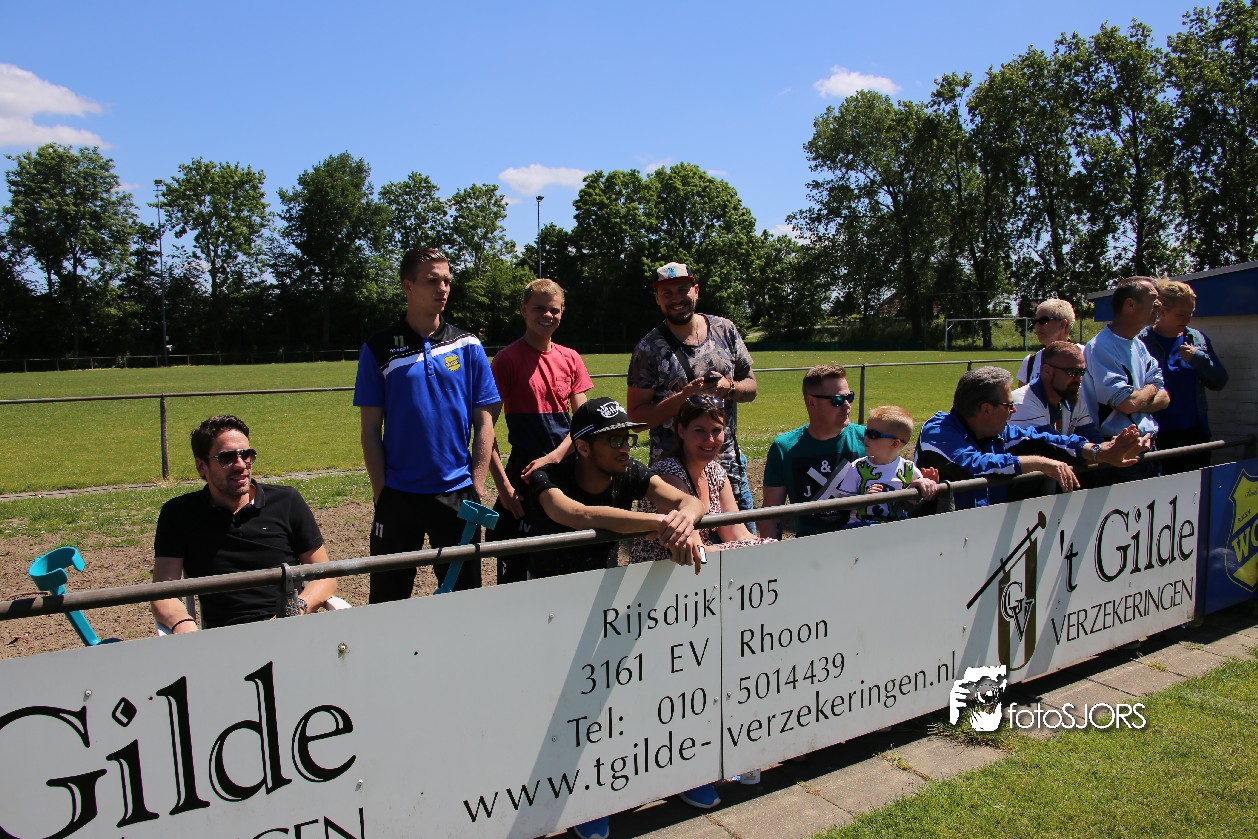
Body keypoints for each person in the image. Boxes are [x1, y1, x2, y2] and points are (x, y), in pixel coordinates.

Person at [525, 397, 717, 839]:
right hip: (547, 607)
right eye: (613, 439)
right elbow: (576, 514)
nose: (626, 446)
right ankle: (577, 800)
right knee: (566, 710)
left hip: (604, 597)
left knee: (622, 695)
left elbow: (689, 501)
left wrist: (682, 524)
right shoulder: (546, 477)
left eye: (627, 437)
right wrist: (658, 525)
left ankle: (664, 773)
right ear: (583, 447)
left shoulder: (629, 471)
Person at [354, 247, 501, 601]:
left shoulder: (468, 344)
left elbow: (485, 420)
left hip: (456, 493)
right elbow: (370, 428)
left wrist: (477, 483)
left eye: (447, 280)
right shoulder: (378, 347)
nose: (443, 288)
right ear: (408, 286)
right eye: (432, 280)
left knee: (463, 600)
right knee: (388, 602)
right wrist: (382, 492)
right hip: (398, 495)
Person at [151, 415, 336, 632]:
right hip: (223, 639)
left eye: (246, 455)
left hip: (288, 629)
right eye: (227, 458)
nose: (241, 465)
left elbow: (324, 575)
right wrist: (186, 629)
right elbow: (163, 593)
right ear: (201, 466)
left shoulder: (286, 502)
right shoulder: (180, 514)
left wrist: (294, 611)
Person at [627, 262, 758, 523]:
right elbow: (636, 418)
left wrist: (729, 387)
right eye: (667, 293)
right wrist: (683, 397)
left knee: (742, 541)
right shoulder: (648, 348)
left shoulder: (724, 330)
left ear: (696, 291)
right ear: (657, 298)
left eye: (682, 290)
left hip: (728, 467)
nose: (676, 299)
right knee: (687, 546)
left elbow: (751, 387)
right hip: (674, 480)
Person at [916, 367, 1150, 510]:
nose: (1014, 411)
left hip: (985, 533)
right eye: (1008, 405)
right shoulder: (937, 431)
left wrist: (1100, 451)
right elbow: (974, 465)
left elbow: (1047, 439)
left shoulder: (998, 431)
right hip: (939, 544)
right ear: (986, 409)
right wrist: (1039, 463)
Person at [487, 279, 593, 583]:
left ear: (562, 312)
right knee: (517, 568)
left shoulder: (571, 358)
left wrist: (556, 456)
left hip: (568, 471)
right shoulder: (506, 360)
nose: (548, 315)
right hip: (524, 474)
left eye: (554, 310)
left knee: (570, 564)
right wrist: (504, 489)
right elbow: (484, 431)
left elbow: (584, 423)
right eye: (539, 308)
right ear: (523, 310)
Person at [763, 364, 934, 538]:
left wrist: (917, 490)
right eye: (837, 400)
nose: (847, 406)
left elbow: (903, 498)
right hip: (811, 546)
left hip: (866, 541)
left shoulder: (872, 440)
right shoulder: (784, 447)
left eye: (849, 397)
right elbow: (770, 515)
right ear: (811, 402)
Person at [629, 396, 773, 563]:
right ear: (681, 431)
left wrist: (771, 547)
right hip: (659, 570)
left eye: (716, 430)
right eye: (699, 430)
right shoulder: (668, 474)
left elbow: (737, 533)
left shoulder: (716, 471)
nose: (710, 439)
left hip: (697, 569)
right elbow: (696, 549)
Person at [1138, 279, 1228, 473]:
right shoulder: (1142, 342)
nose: (1187, 320)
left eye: (1190, 313)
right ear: (1162, 311)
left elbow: (1220, 381)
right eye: (1181, 314)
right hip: (1155, 434)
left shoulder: (1197, 339)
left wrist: (1198, 358)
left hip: (1195, 433)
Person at [1082, 276, 1169, 441]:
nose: (1159, 304)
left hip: (1147, 442)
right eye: (1153, 298)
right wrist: (1151, 388)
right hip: (1118, 445)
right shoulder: (1101, 346)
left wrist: (1138, 400)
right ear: (1130, 305)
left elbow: (1164, 398)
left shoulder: (1139, 346)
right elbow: (1126, 403)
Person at [837, 406, 938, 526]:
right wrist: (864, 498)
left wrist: (928, 485)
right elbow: (842, 502)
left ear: (895, 443)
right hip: (860, 526)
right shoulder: (858, 466)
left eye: (873, 435)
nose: (866, 438)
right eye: (866, 432)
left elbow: (914, 505)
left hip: (894, 528)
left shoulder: (908, 469)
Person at [1009, 341, 1101, 441]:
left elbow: (1091, 436)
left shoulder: (1073, 396)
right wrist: (1099, 449)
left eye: (1082, 372)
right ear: (1047, 371)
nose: (1078, 379)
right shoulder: (1021, 404)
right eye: (1072, 372)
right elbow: (1051, 445)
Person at [1017, 299, 1080, 386]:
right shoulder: (1030, 362)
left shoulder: (1086, 355)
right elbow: (1022, 394)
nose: (1037, 327)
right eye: (1035, 322)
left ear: (1063, 324)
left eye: (1043, 321)